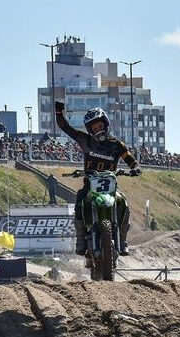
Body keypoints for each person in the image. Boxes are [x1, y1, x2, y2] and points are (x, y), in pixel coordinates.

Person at [54, 101, 140, 256]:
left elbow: (130, 159)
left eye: (100, 126)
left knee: (124, 204)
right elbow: (65, 128)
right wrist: (59, 113)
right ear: (90, 130)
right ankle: (80, 240)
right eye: (94, 128)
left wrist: (135, 168)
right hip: (90, 186)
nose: (98, 129)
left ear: (105, 124)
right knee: (80, 200)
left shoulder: (117, 144)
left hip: (111, 186)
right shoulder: (85, 140)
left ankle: (123, 239)